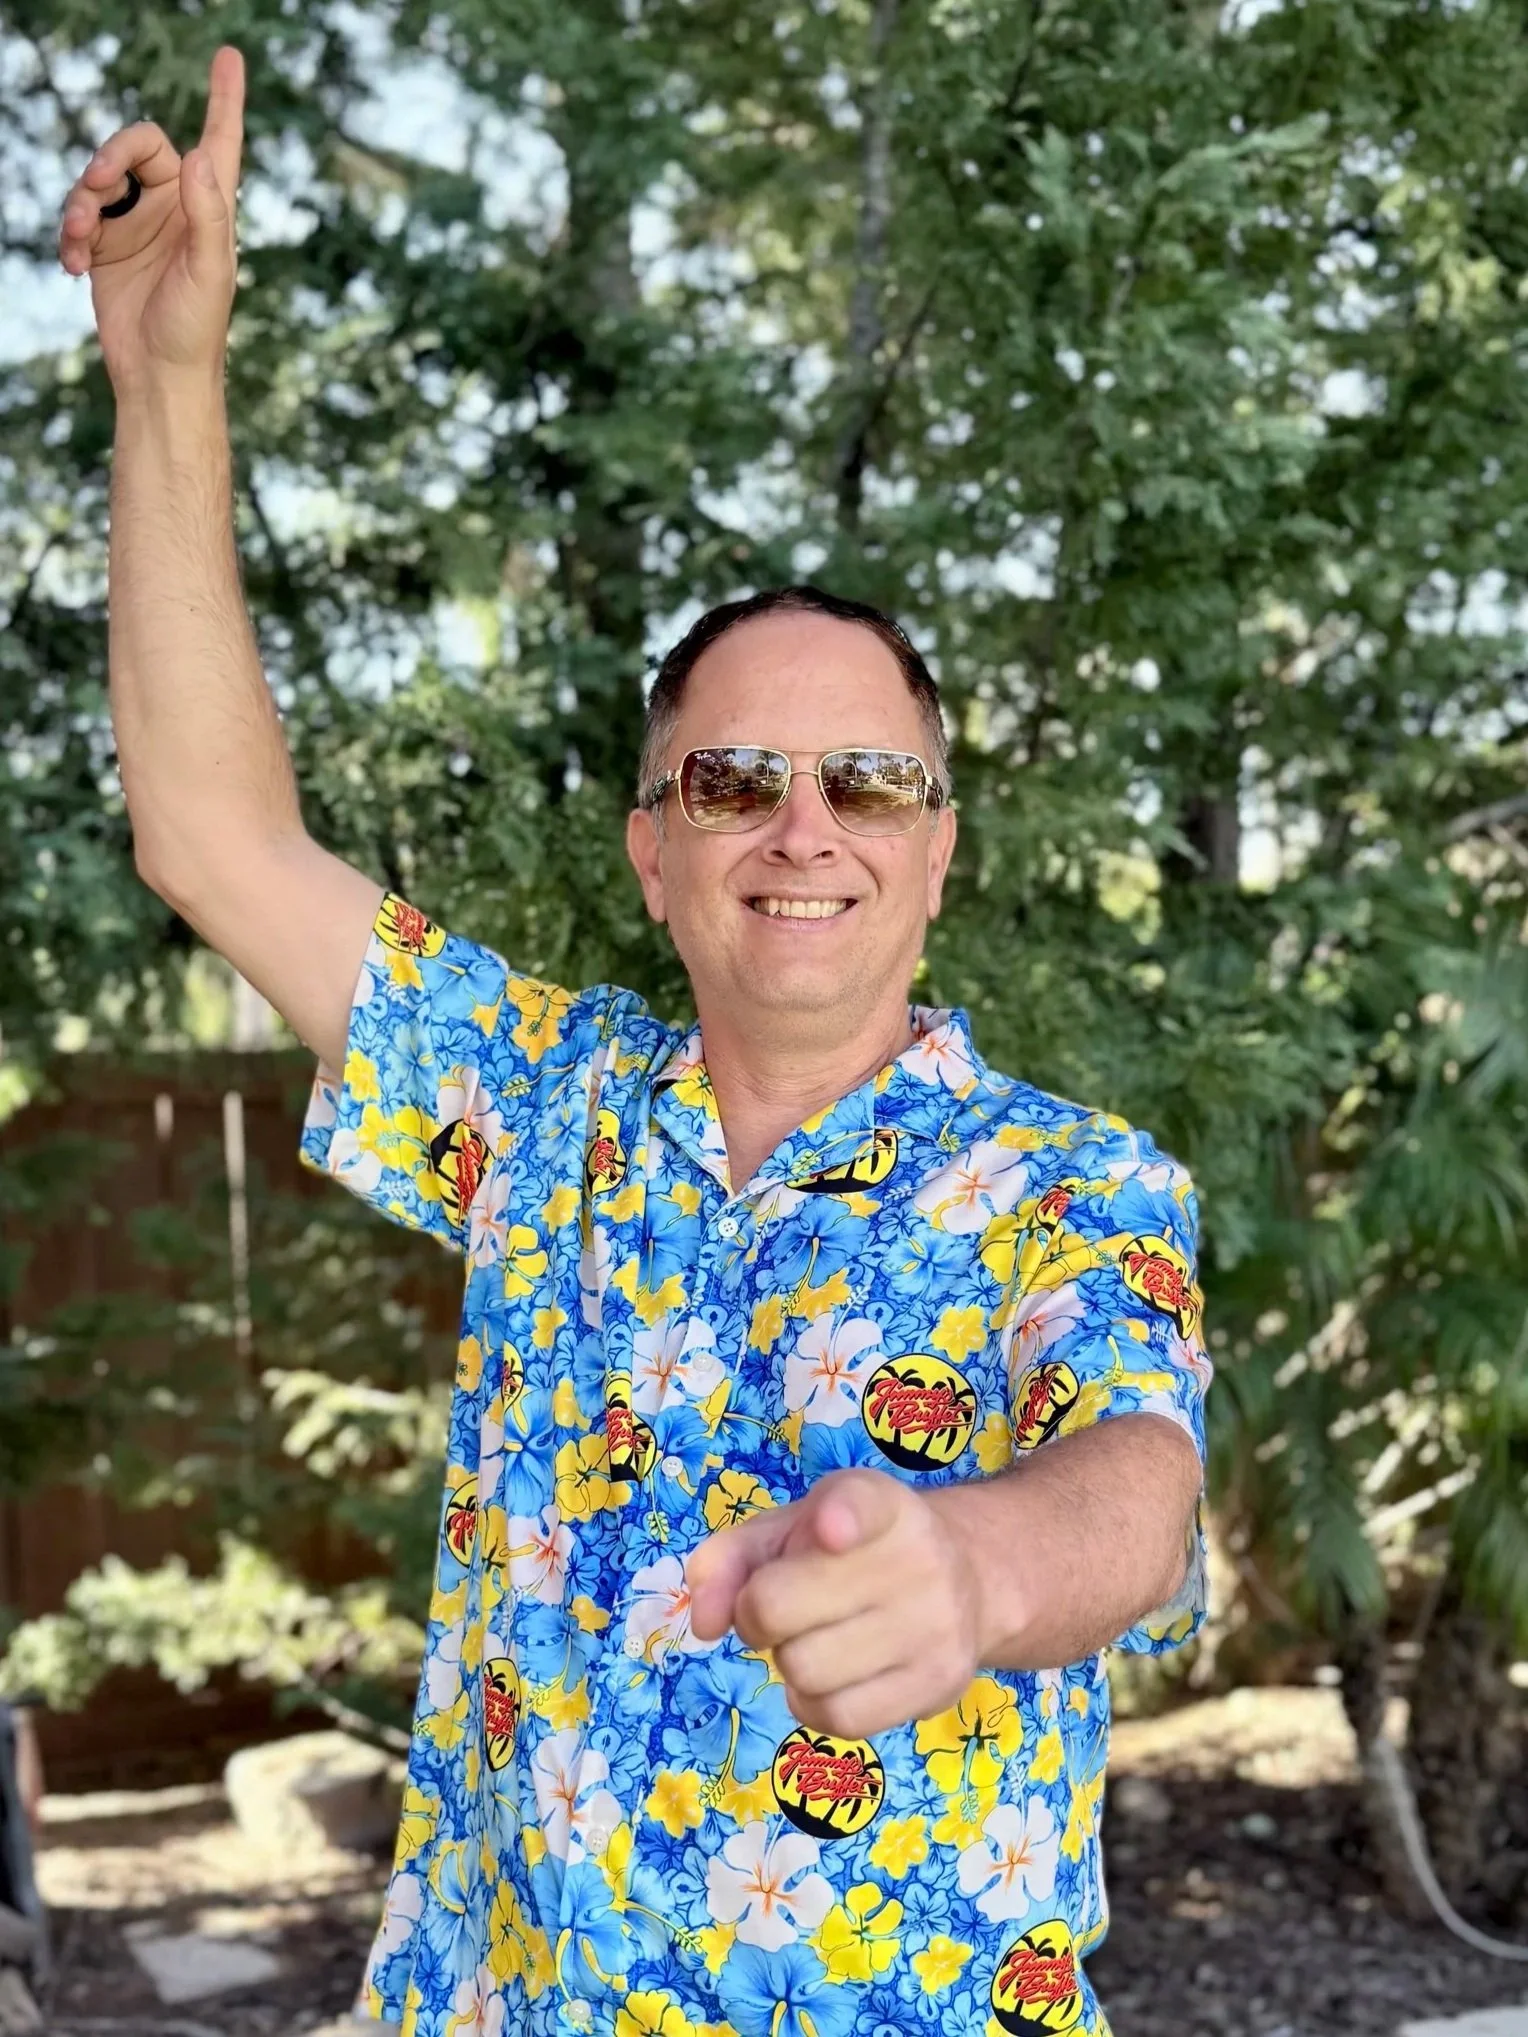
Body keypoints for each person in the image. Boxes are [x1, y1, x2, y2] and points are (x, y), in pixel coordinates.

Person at [60, 46, 1211, 2037]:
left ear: (936, 851)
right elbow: (213, 841)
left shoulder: (1074, 1184)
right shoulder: (537, 1103)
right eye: (734, 782)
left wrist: (974, 1569)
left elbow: (1138, 1484)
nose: (803, 830)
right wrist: (167, 378)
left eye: (868, 784)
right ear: (654, 853)